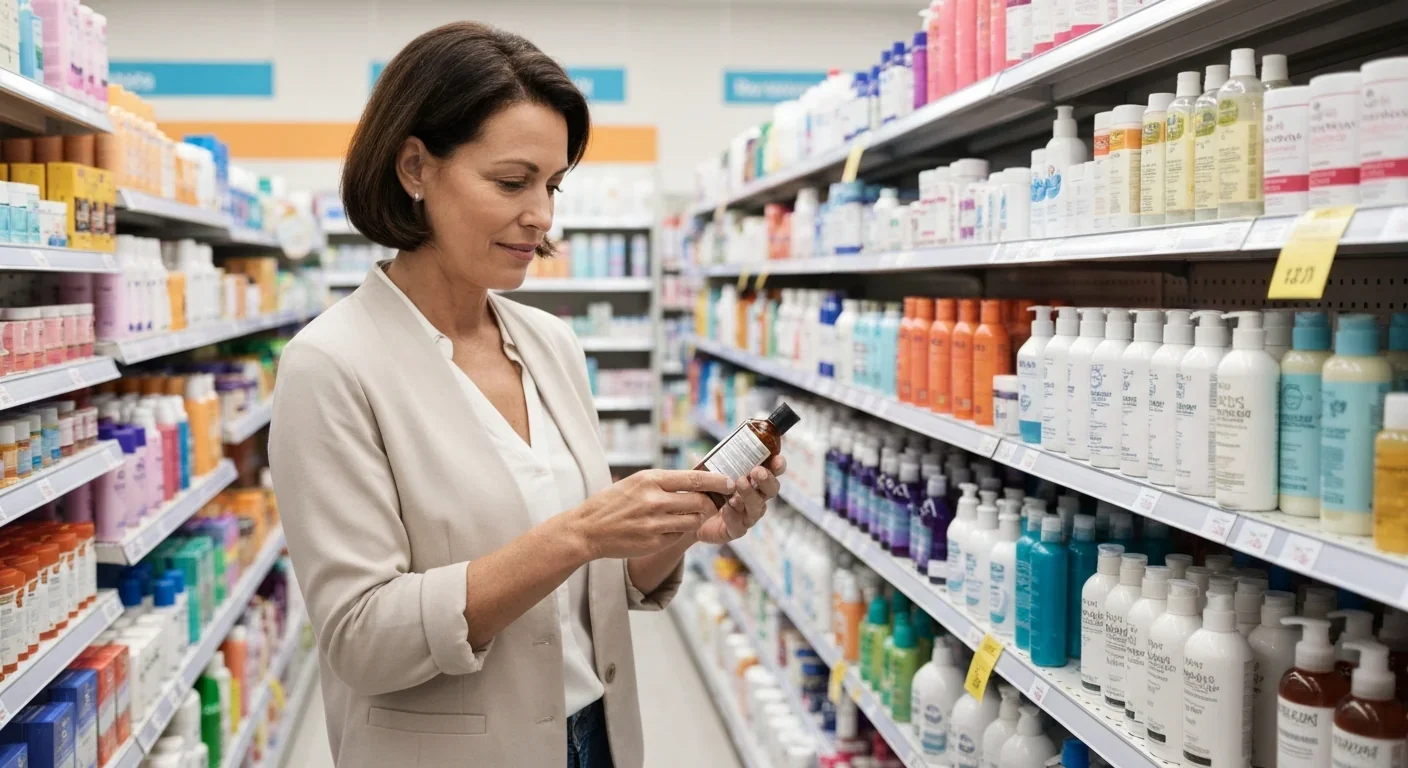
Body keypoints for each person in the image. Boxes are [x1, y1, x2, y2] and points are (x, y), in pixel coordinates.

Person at [267, 20, 783, 768]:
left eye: (552, 184)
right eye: (512, 182)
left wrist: (679, 528)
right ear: (416, 165)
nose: (542, 214)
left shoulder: (550, 344)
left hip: (593, 735)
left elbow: (589, 591)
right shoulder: (331, 365)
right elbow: (362, 639)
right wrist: (575, 533)